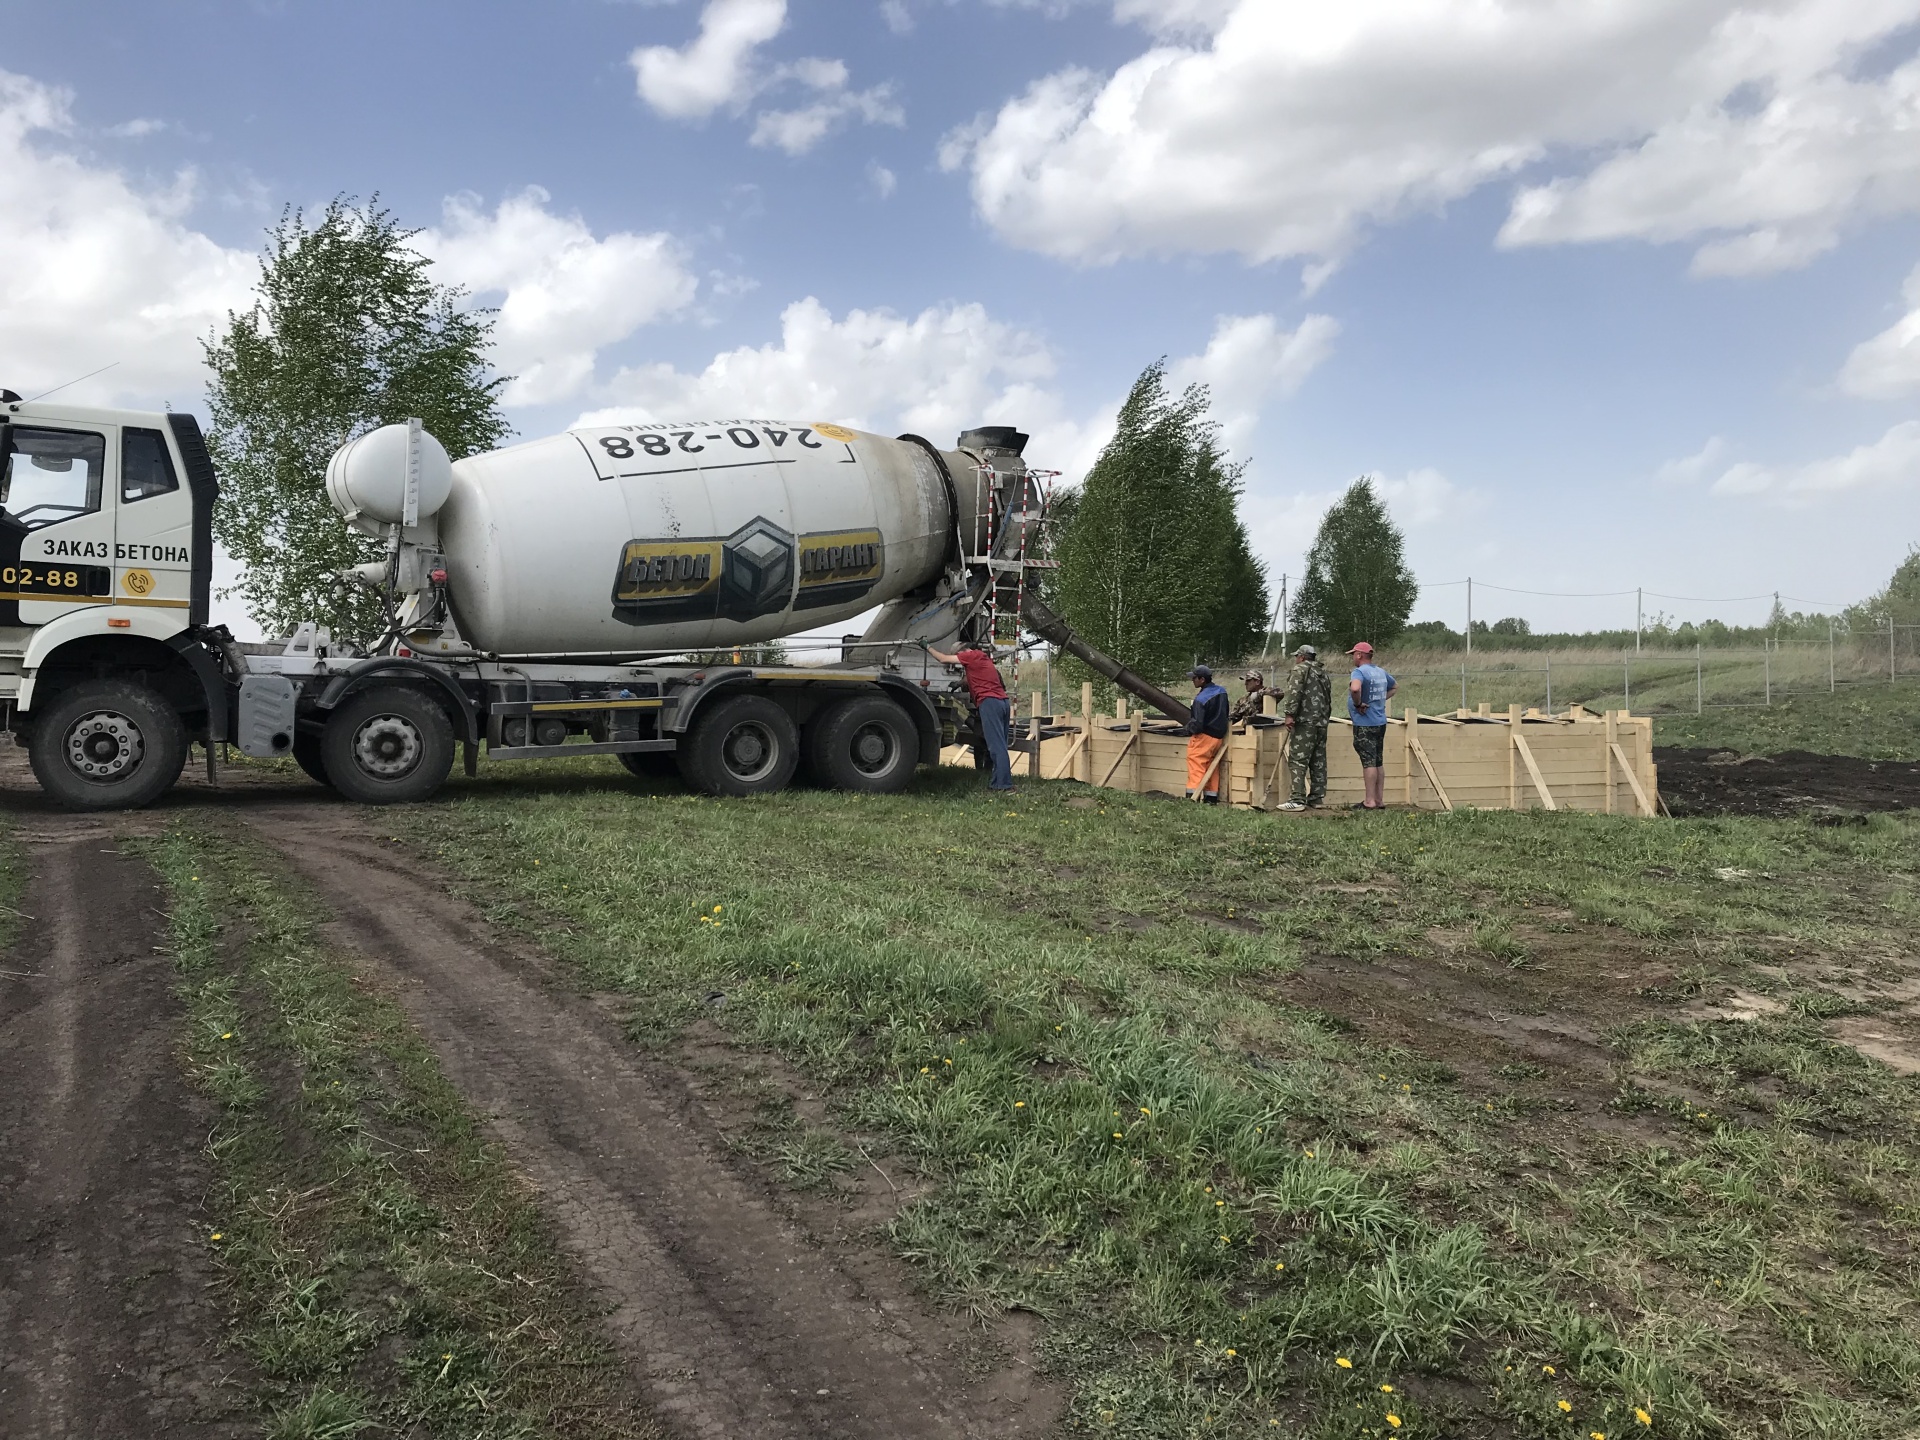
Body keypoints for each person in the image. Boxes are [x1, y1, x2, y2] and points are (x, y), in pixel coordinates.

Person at [926, 640, 1016, 792]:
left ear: (961, 652)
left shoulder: (969, 655)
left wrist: (927, 647)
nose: (958, 659)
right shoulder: (981, 657)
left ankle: (1004, 785)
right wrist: (960, 683)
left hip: (989, 702)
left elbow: (942, 658)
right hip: (1003, 702)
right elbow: (972, 677)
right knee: (1000, 744)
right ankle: (999, 782)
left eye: (957, 656)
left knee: (996, 746)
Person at [1276, 644, 1331, 811]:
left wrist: (1289, 714)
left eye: (1296, 656)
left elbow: (1294, 693)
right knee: (1318, 760)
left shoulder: (1299, 670)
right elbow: (1328, 698)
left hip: (1305, 721)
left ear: (1301, 657)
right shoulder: (1323, 673)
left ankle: (1297, 799)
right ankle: (1316, 797)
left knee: (1298, 759)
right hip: (1321, 721)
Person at [1346, 641, 1396, 810]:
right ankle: (1379, 800)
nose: (1353, 657)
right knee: (1378, 761)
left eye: (1354, 654)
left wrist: (1358, 703)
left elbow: (1355, 689)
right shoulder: (1380, 672)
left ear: (1360, 655)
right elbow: (1394, 687)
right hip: (1380, 722)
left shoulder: (1359, 672)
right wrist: (1379, 700)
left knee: (1369, 763)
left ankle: (1369, 801)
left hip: (1364, 723)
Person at [1181, 664, 1230, 804]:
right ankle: (1211, 798)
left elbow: (1197, 723)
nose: (1193, 681)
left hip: (1203, 736)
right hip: (1218, 737)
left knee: (1196, 763)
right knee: (1211, 767)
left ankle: (1192, 797)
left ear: (1202, 679)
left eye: (1194, 678)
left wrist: (1188, 729)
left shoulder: (1200, 699)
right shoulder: (1222, 692)